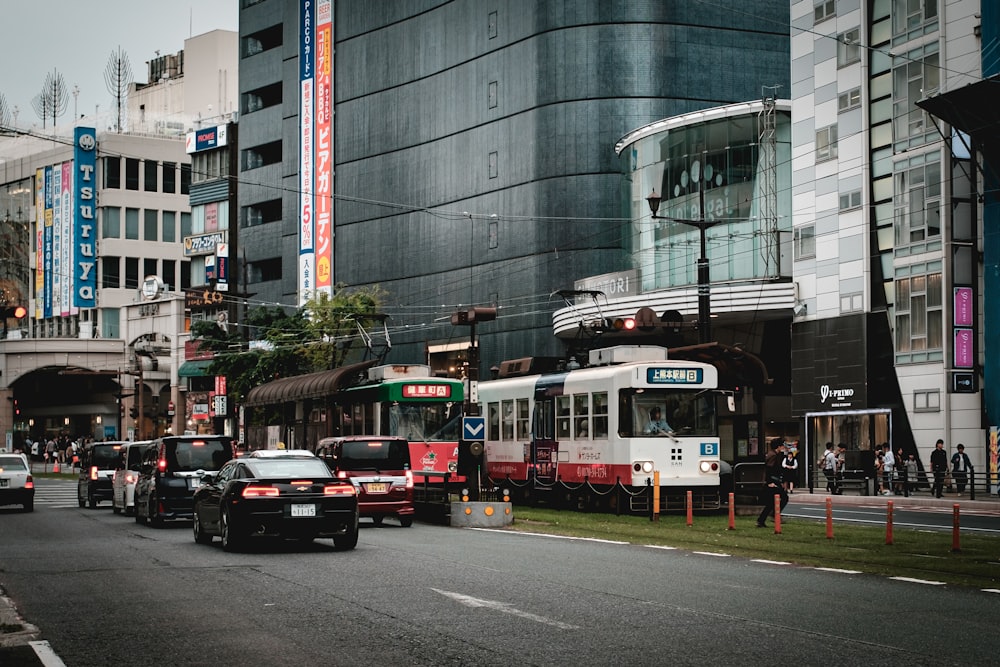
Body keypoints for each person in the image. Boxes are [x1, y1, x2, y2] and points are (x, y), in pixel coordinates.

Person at [757, 439, 789, 528]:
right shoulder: (773, 455)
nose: (783, 447)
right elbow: (769, 469)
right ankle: (773, 515)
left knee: (771, 502)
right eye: (782, 445)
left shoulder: (775, 454)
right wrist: (769, 482)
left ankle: (761, 520)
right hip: (772, 481)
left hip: (773, 480)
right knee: (784, 498)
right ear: (778, 446)